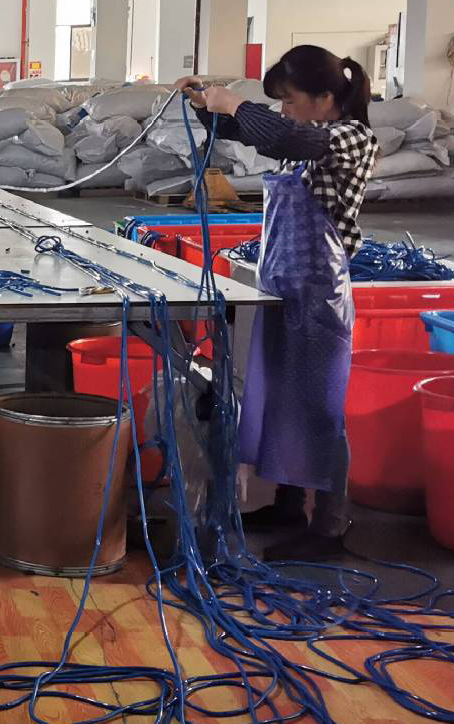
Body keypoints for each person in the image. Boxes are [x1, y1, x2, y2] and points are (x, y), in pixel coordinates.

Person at [175, 45, 376, 562]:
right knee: (283, 396)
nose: (284, 111)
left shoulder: (349, 138)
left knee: (321, 406)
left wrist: (234, 102)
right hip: (282, 285)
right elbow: (257, 134)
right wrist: (207, 106)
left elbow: (284, 135)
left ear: (324, 97)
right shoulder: (303, 139)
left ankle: (329, 525)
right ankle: (288, 507)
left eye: (290, 100)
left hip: (320, 293)